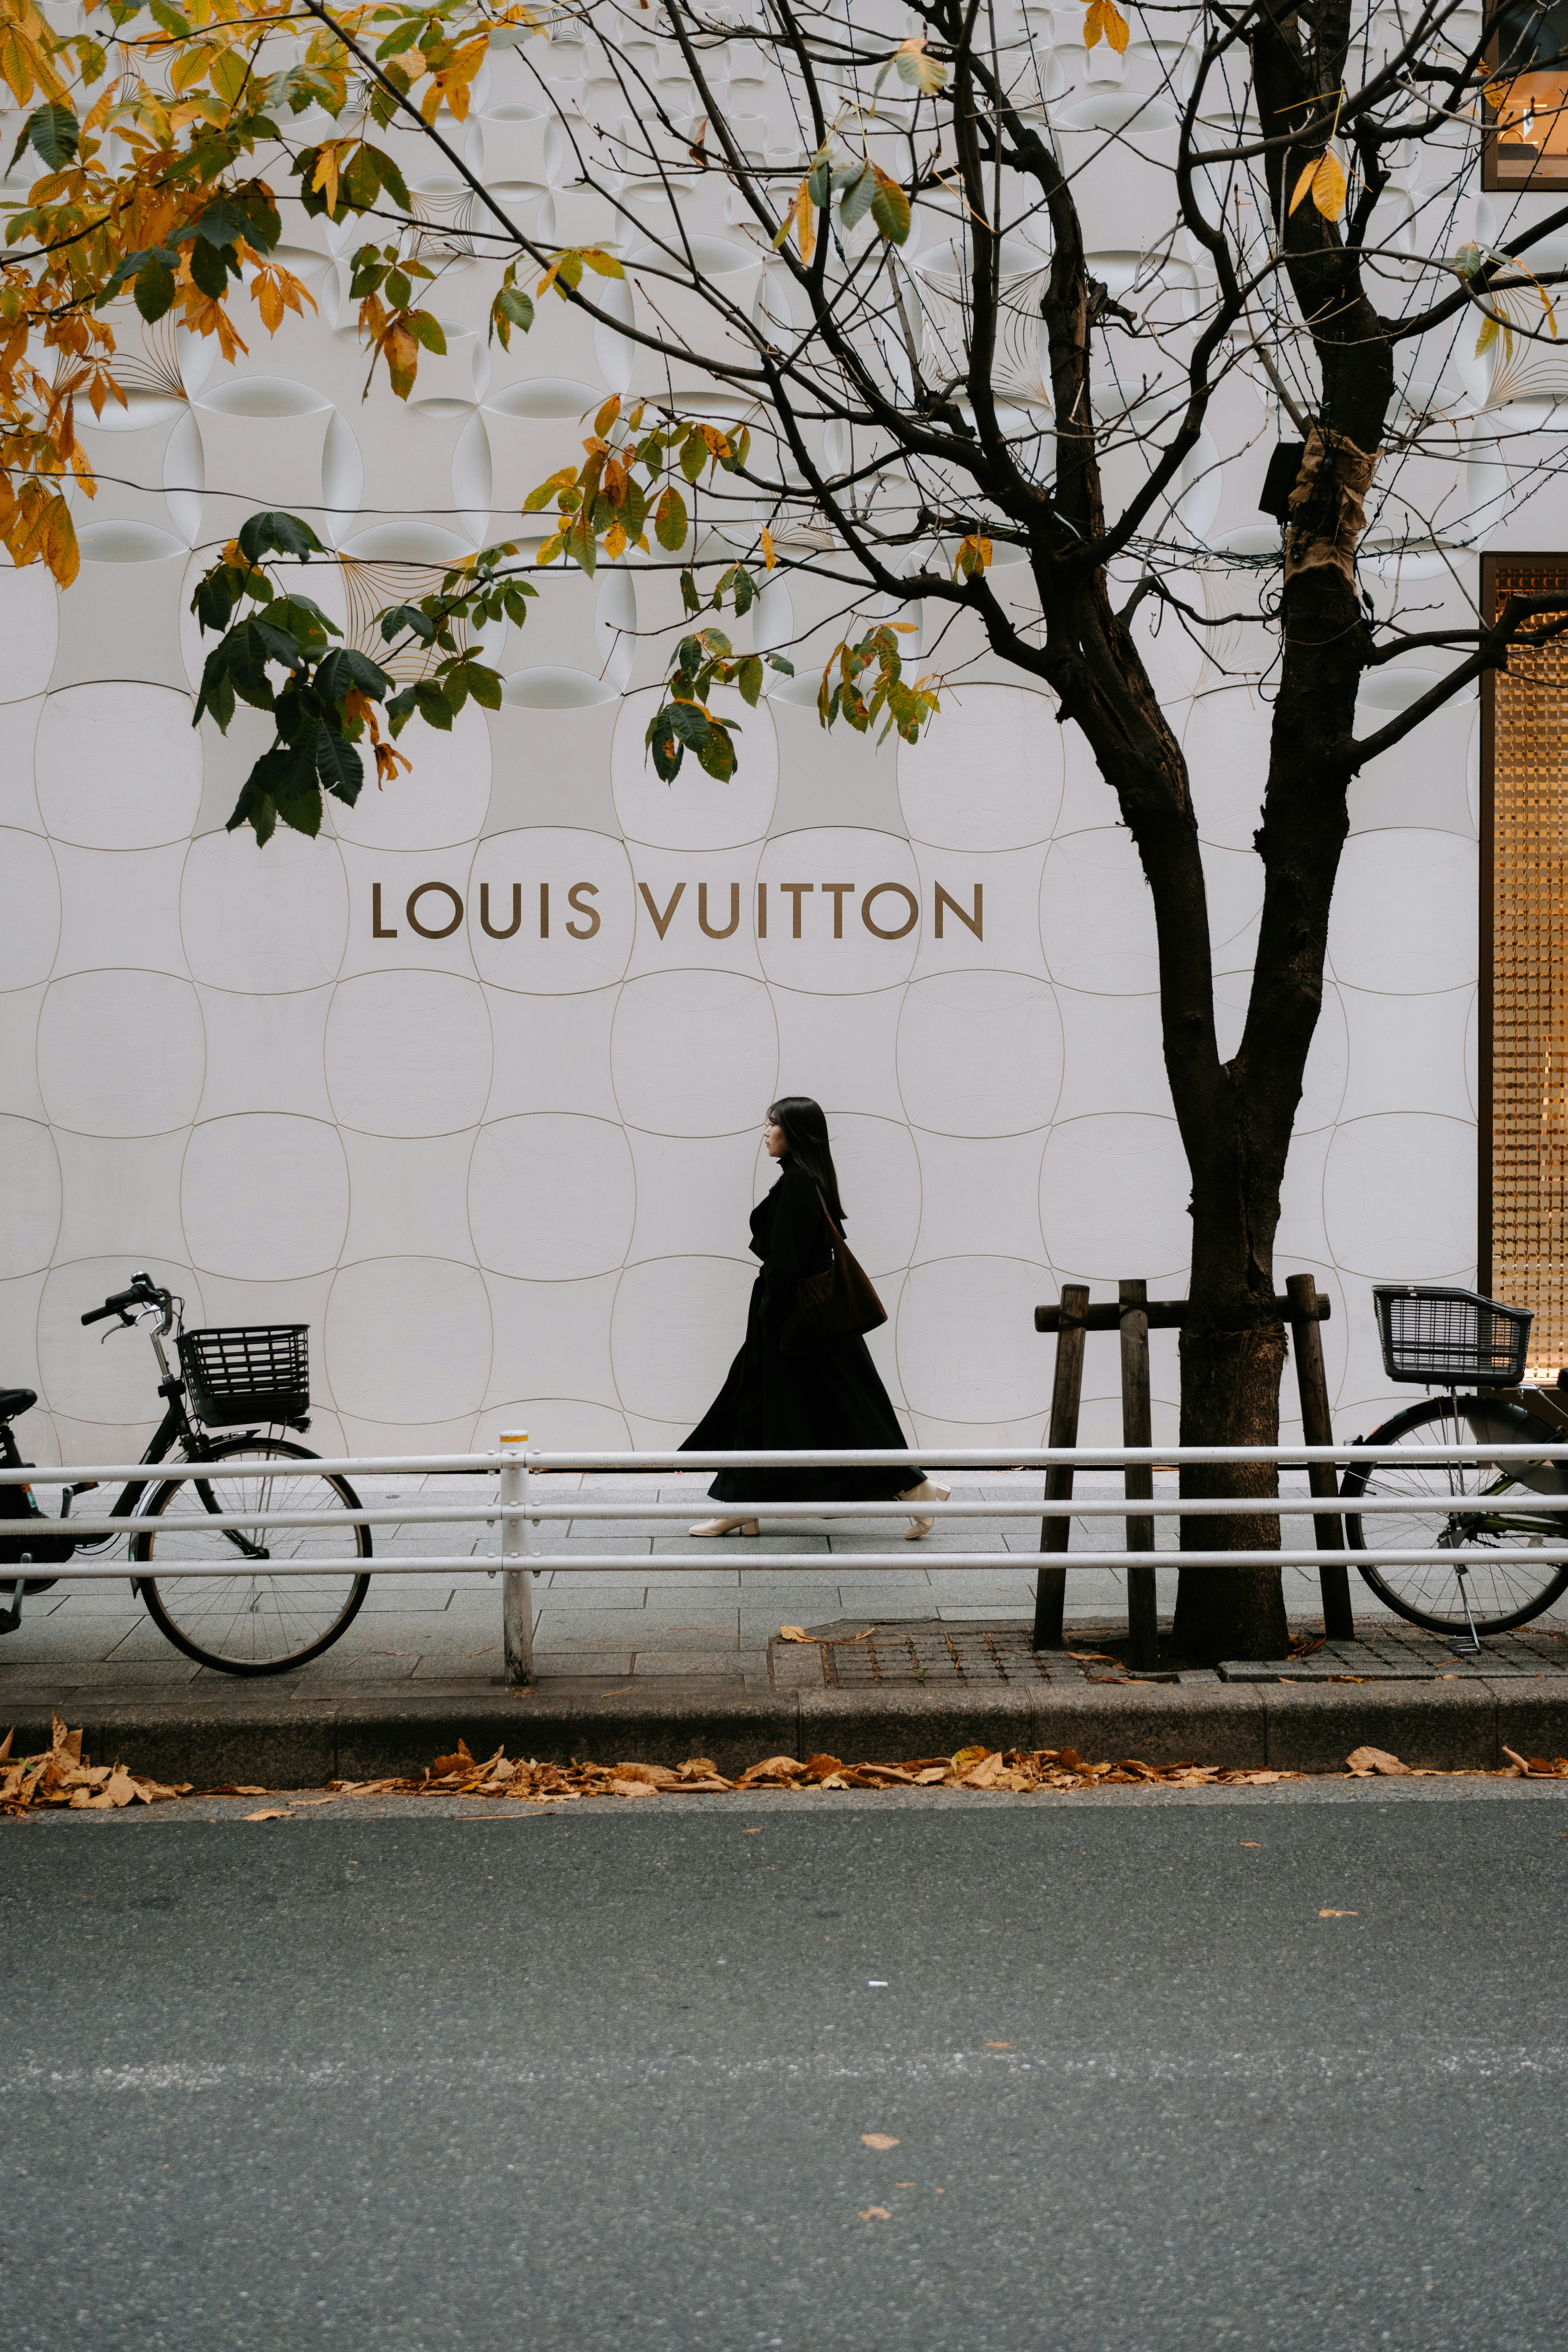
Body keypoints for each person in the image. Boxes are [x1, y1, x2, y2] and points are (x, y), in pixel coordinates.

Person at [682, 1096, 951, 1538]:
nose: (765, 1133)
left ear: (795, 1133)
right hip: (802, 1319)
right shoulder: (808, 1182)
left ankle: (914, 1486)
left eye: (773, 1124)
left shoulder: (798, 1185)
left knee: (842, 1406)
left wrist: (771, 1321)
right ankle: (742, 1504)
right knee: (773, 1404)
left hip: (795, 1322)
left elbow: (787, 1262)